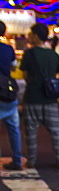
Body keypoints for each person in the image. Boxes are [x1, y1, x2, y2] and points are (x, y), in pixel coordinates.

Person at [20, 22, 59, 169]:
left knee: (30, 132)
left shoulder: (29, 53)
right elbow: (57, 73)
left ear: (35, 36)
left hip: (32, 96)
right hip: (50, 97)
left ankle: (31, 160)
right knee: (55, 131)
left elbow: (25, 74)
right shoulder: (53, 55)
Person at [0, 20, 22, 169]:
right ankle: (17, 160)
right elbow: (14, 67)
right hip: (6, 90)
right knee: (13, 128)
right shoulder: (8, 49)